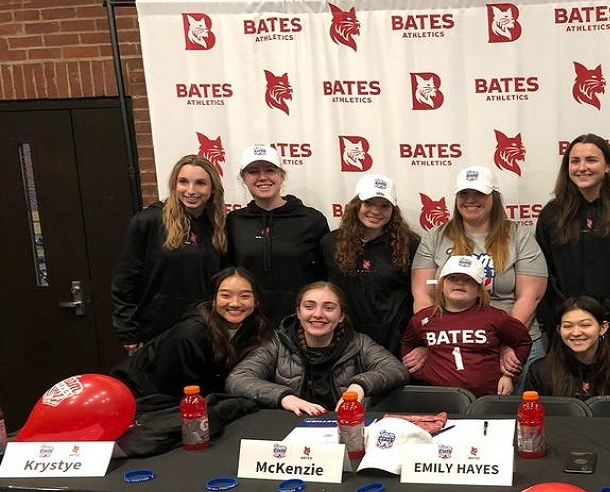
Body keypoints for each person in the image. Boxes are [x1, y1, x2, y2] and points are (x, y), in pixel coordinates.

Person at [411, 166, 547, 388]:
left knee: (517, 417)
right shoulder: (435, 238)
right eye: (464, 194)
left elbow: (529, 297)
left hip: (512, 342)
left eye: (479, 194)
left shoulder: (519, 238)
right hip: (448, 343)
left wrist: (504, 342)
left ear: (493, 197)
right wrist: (433, 339)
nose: (470, 200)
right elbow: (423, 294)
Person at [535, 133, 610, 374]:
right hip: (568, 336)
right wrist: (572, 320)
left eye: (591, 160)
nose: (582, 168)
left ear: (608, 166)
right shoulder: (551, 214)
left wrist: (598, 319)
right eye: (575, 161)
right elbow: (544, 273)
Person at [226, 281, 408, 416]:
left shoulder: (359, 343)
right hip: (289, 429)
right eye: (309, 306)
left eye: (328, 308)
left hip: (344, 427)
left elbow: (397, 370)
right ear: (298, 312)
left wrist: (359, 386)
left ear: (341, 315)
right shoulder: (277, 342)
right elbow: (237, 379)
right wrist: (284, 397)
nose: (318, 314)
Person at [111, 154, 227, 354]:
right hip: (155, 334)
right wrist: (128, 331)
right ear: (174, 185)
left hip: (204, 333)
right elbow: (124, 282)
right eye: (183, 182)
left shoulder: (217, 228)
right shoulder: (148, 221)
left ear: (213, 188)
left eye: (200, 183)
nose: (191, 190)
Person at [113, 267, 271, 398]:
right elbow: (175, 392)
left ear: (256, 301)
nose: (235, 303)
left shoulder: (254, 328)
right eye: (225, 295)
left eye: (244, 296)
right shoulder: (189, 334)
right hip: (137, 396)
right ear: (214, 300)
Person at [226, 144, 329, 325]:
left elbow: (324, 278)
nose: (262, 177)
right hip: (248, 322)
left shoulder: (312, 219)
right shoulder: (234, 221)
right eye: (253, 171)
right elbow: (227, 274)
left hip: (300, 323)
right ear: (243, 178)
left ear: (282, 175)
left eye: (270, 170)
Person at [402, 255, 532, 397]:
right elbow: (408, 343)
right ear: (441, 285)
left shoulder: (495, 317)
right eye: (452, 278)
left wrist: (509, 376)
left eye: (468, 280)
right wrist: (421, 372)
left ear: (479, 289)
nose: (459, 283)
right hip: (436, 398)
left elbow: (523, 341)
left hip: (487, 398)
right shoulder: (423, 318)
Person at [322, 174, 419, 356]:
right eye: (369, 203)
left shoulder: (409, 244)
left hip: (393, 341)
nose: (376, 211)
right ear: (356, 205)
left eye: (384, 205)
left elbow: (418, 295)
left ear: (393, 211)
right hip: (342, 338)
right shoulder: (330, 242)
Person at [524, 296, 610, 400]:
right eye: (568, 326)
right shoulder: (540, 371)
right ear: (559, 330)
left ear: (603, 328)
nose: (576, 332)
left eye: (585, 325)